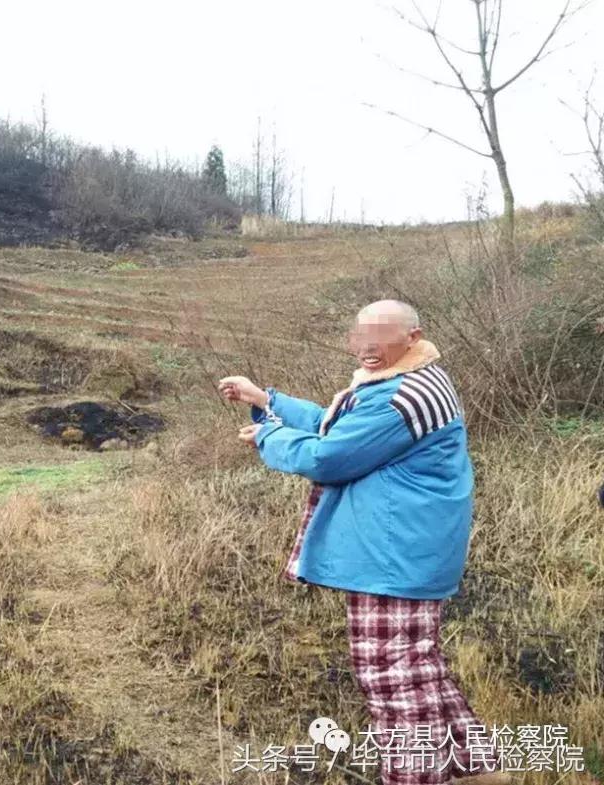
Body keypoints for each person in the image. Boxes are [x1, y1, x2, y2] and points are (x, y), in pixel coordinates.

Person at [218, 300, 509, 785]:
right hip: (404, 550)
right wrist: (267, 400)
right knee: (417, 669)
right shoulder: (409, 377)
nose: (367, 349)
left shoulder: (402, 396)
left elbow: (329, 457)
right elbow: (339, 426)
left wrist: (269, 435)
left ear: (413, 337)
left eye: (380, 339)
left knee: (392, 677)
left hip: (393, 556)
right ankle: (475, 774)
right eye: (360, 338)